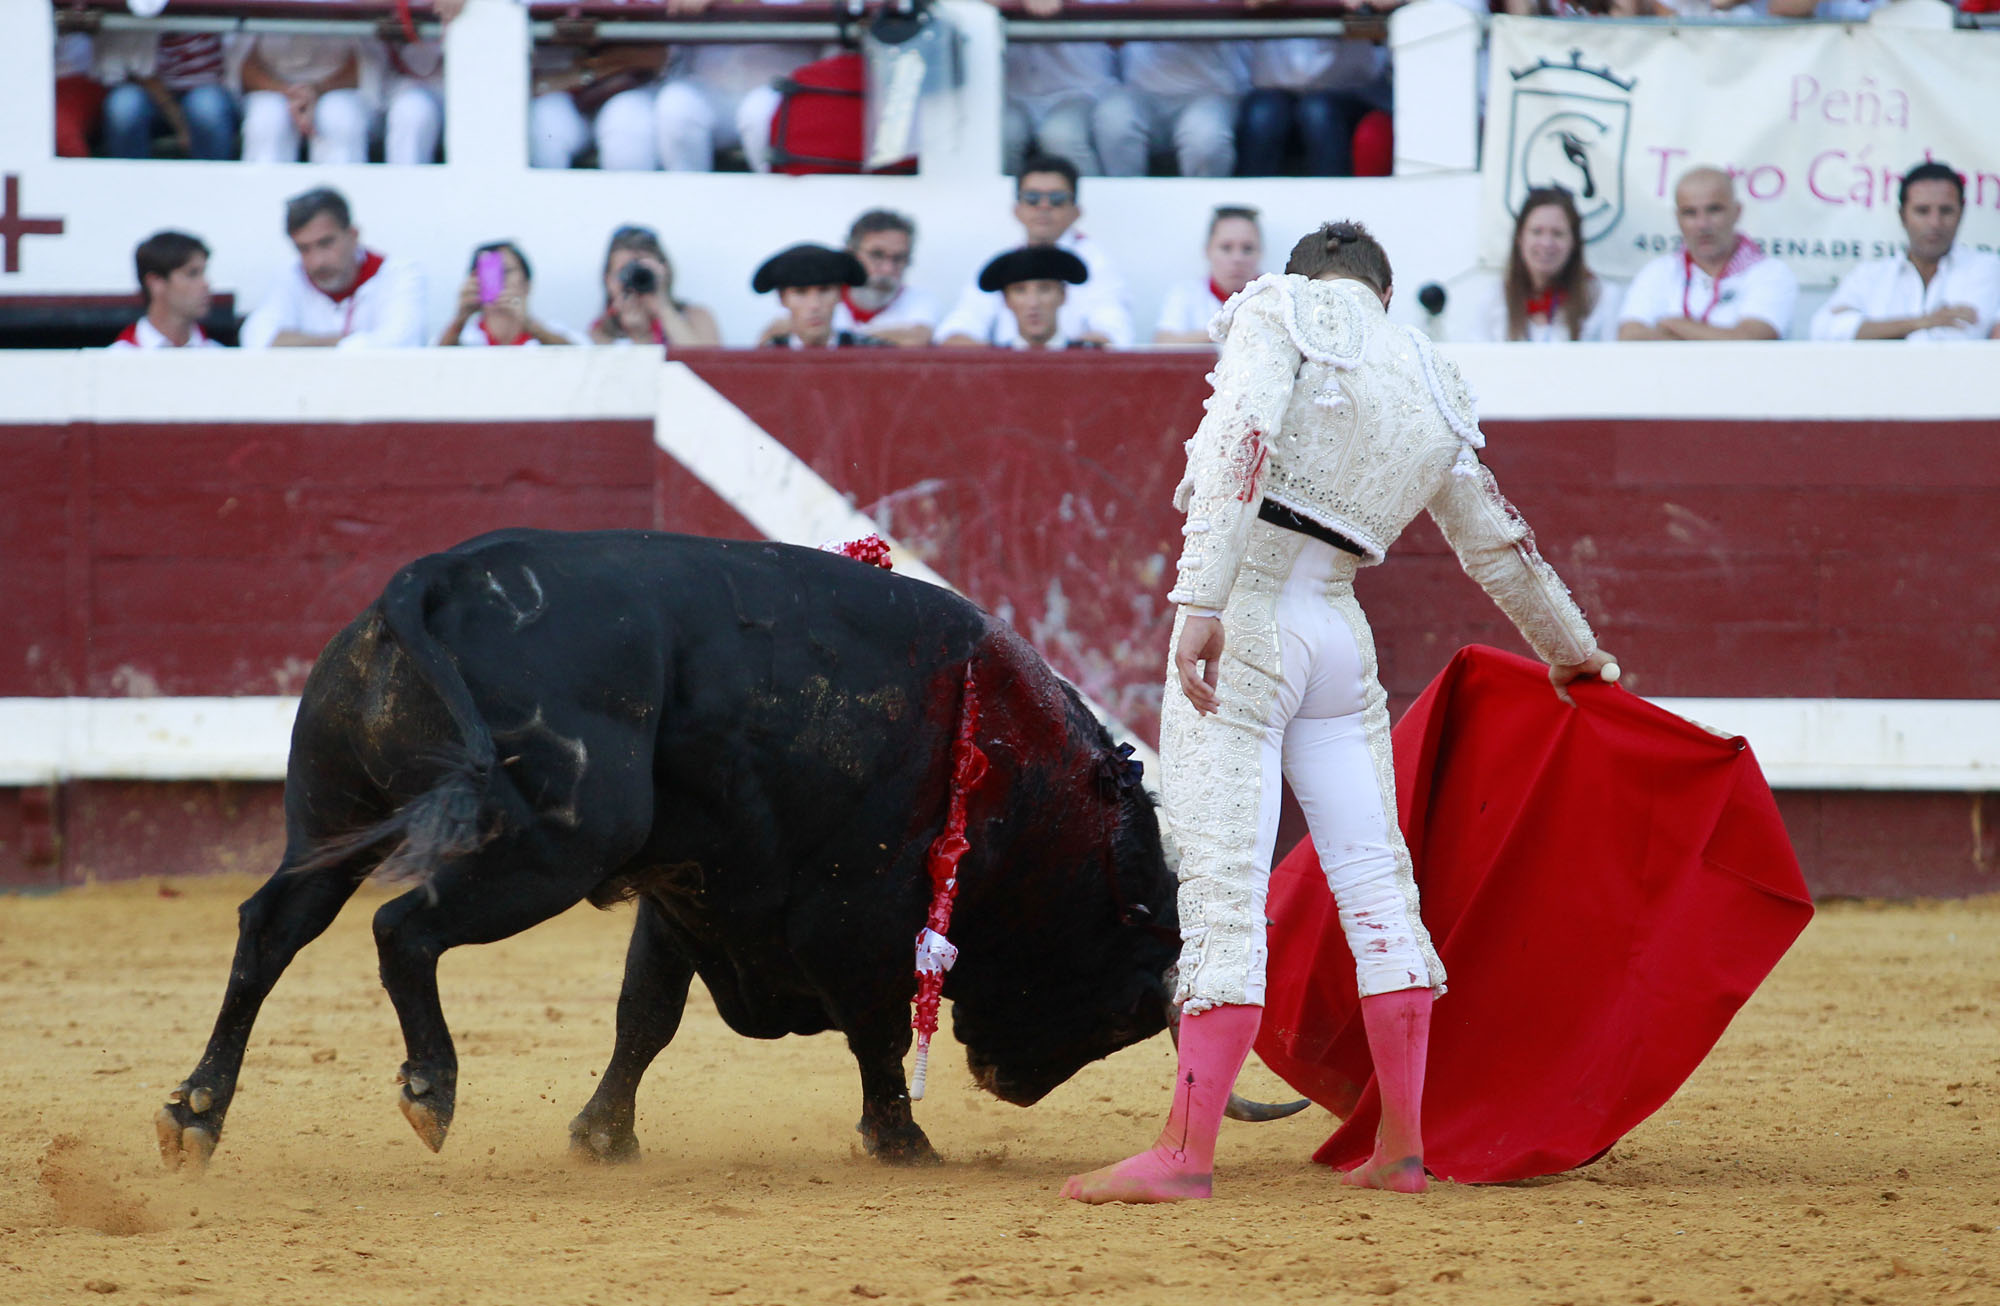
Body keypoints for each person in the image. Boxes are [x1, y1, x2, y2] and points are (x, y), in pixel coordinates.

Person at [1062, 221, 1614, 1205]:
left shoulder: (1280, 308)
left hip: (1247, 616)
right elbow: (1499, 547)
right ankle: (1401, 1146)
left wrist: (1197, 602)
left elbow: (1240, 440)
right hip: (1337, 637)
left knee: (1224, 890)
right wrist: (1576, 657)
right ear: (1383, 294)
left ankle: (1186, 1154)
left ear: (1309, 276)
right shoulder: (1430, 378)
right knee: (1376, 888)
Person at [937, 155, 1133, 347]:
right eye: (1032, 198)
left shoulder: (1096, 263)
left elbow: (1113, 334)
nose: (1044, 206)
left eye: (1056, 199)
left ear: (1076, 211)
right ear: (1017, 210)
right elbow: (959, 328)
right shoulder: (1004, 263)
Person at [1809, 161, 2000, 343]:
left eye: (1946, 210)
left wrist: (1875, 330)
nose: (1935, 222)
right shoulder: (1870, 276)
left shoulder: (1988, 270)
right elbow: (1823, 329)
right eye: (1922, 211)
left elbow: (1952, 340)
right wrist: (1923, 321)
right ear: (1902, 215)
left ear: (1961, 212)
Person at [1618, 167, 1797, 341]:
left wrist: (1672, 324)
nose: (1702, 224)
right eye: (1690, 213)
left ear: (1737, 212)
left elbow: (1749, 340)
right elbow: (1629, 335)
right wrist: (1716, 335)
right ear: (1677, 218)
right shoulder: (1658, 271)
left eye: (1714, 210)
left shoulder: (1772, 273)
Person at [240, 188, 426, 349]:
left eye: (326, 243)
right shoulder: (292, 276)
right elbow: (257, 339)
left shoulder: (400, 274)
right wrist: (347, 343)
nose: (316, 261)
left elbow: (398, 344)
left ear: (353, 235)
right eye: (303, 249)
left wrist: (299, 344)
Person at [653, 0, 825, 172]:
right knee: (677, 104)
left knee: (760, 111)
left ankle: (776, 195)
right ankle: (688, 196)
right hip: (712, 85)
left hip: (781, 84)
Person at [1454, 187, 1622, 342]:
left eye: (1557, 234)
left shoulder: (1602, 298)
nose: (1547, 243)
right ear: (1520, 238)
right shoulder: (1496, 299)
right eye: (1537, 232)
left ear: (1574, 242)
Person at [1093, 12, 1248, 178]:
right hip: (1140, 90)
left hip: (1209, 91)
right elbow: (1110, 29)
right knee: (1114, 120)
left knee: (1206, 142)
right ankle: (1125, 201)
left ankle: (1203, 203)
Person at [1237, 34, 1394, 178]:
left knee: (1318, 111)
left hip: (1345, 87)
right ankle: (1250, 203)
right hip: (1271, 85)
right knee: (1263, 115)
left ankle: (1333, 201)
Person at [231, 22, 381, 165]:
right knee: (268, 119)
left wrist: (315, 90)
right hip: (273, 88)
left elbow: (364, 66)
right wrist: (291, 92)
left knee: (340, 117)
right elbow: (244, 67)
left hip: (338, 88)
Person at [996, 0, 1117, 175]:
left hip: (1079, 90)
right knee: (1003, 136)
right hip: (1013, 94)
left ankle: (1087, 201)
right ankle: (1016, 202)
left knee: (1061, 137)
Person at [529, 38, 669, 171]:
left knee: (626, 132)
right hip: (560, 92)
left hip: (634, 92)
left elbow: (656, 57)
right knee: (547, 131)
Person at [95, 30, 238, 160]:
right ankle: (129, 183)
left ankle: (211, 184)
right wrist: (180, 124)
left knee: (205, 107)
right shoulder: (143, 8)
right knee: (124, 104)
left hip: (214, 95)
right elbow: (135, 73)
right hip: (151, 98)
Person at [586, 226, 721, 347]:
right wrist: (639, 337)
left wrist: (664, 308)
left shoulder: (696, 317)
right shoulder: (599, 333)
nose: (634, 279)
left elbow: (705, 363)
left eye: (643, 271)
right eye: (624, 271)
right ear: (608, 280)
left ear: (664, 272)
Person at [1154, 206, 1264, 344]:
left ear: (1260, 253)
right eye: (1226, 247)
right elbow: (1163, 343)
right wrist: (1224, 332)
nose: (1237, 258)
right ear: (1208, 251)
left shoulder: (1279, 297)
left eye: (1247, 248)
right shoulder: (1185, 294)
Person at [437, 241, 580, 347]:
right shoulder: (465, 335)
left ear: (527, 283)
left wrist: (529, 324)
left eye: (505, 272)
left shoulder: (555, 332)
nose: (497, 280)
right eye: (487, 273)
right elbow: (434, 367)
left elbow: (583, 360)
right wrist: (461, 318)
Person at [834, 210, 940, 347]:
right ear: (850, 255)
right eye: (876, 255)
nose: (887, 269)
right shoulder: (822, 297)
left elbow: (917, 338)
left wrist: (841, 339)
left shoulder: (919, 300)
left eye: (899, 258)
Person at [753, 244, 884, 348]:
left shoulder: (872, 354)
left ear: (839, 294)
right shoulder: (768, 358)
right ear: (782, 298)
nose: (814, 305)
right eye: (800, 292)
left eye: (824, 290)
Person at [111, 231, 221, 350]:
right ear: (155, 282)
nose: (205, 284)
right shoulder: (115, 359)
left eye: (203, 273)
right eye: (192, 273)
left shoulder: (221, 356)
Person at [978, 246, 1095, 350]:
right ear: (1006, 299)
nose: (1033, 303)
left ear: (1063, 295)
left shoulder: (1091, 360)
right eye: (1020, 290)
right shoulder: (992, 363)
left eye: (1045, 289)